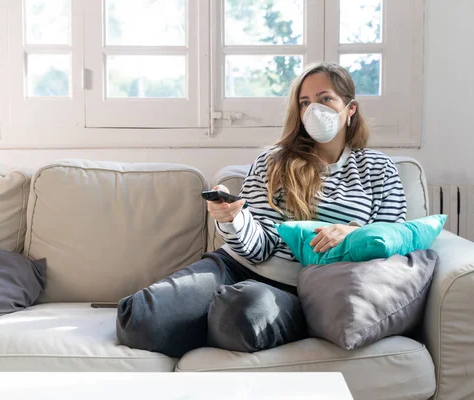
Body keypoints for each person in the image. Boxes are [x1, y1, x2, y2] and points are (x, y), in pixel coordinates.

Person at [116, 62, 407, 357]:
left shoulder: (377, 168)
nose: (313, 110)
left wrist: (352, 233)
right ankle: (203, 321)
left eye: (325, 99)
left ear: (351, 108)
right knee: (138, 319)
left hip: (299, 290)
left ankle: (210, 323)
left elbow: (395, 238)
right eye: (304, 102)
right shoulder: (274, 160)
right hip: (236, 266)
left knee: (241, 312)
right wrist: (234, 219)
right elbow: (258, 248)